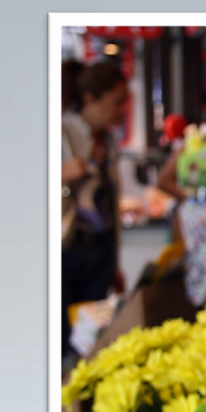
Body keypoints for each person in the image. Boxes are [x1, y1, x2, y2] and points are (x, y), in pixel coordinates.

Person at [60, 60, 128, 358]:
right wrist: (60, 173)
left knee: (93, 341)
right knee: (64, 341)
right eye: (116, 101)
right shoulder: (61, 130)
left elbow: (112, 205)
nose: (122, 109)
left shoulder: (110, 142)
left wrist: (114, 261)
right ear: (90, 99)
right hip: (67, 248)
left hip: (100, 252)